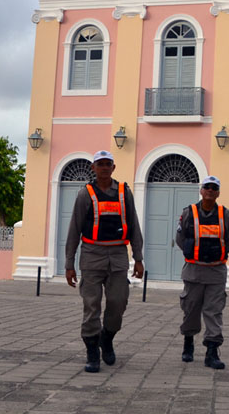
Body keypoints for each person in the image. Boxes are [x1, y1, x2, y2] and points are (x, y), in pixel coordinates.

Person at [65, 150, 144, 373]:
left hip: (118, 255)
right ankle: (92, 352)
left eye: (108, 164)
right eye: (100, 164)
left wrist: (138, 258)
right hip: (92, 254)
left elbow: (134, 226)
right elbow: (74, 229)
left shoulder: (124, 193)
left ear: (113, 167)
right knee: (91, 305)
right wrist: (69, 264)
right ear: (93, 168)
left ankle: (107, 338)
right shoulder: (85, 194)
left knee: (118, 302)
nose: (104, 168)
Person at [176, 175, 229, 369]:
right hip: (194, 270)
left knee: (214, 311)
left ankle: (212, 352)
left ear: (218, 193)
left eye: (214, 188)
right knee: (190, 309)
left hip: (216, 271)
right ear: (201, 190)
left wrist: (216, 255)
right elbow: (180, 238)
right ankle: (188, 343)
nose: (210, 190)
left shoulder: (226, 215)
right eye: (207, 187)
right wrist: (194, 253)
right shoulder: (188, 213)